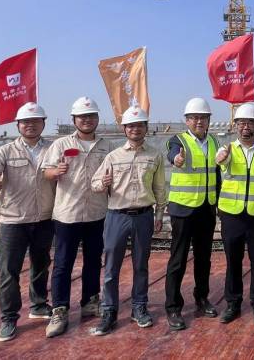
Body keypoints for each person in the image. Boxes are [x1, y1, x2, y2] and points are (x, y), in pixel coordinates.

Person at [0, 102, 55, 342]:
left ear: (43, 123)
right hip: (13, 219)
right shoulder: (5, 151)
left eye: (36, 121)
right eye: (26, 122)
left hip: (44, 217)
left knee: (41, 264)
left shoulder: (52, 149)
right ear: (18, 125)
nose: (31, 125)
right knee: (9, 271)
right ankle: (9, 318)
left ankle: (38, 305)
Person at [42, 97, 115, 338]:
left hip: (97, 213)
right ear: (74, 120)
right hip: (67, 214)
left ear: (97, 119)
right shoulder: (61, 144)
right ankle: (60, 309)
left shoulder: (107, 146)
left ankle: (90, 302)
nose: (87, 120)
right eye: (82, 117)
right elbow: (46, 172)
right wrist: (56, 171)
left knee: (93, 260)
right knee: (63, 263)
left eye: (91, 116)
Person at [90, 106, 166, 335]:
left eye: (139, 125)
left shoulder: (155, 155)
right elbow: (95, 183)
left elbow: (160, 188)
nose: (135, 129)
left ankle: (139, 307)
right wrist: (102, 184)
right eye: (131, 126)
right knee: (111, 266)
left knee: (141, 265)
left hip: (144, 216)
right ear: (124, 129)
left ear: (146, 128)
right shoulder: (113, 157)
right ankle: (109, 311)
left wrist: (159, 215)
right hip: (117, 216)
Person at [215, 103, 254, 325]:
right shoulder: (227, 149)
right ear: (235, 126)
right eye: (241, 123)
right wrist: (222, 158)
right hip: (232, 215)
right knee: (233, 261)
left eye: (250, 123)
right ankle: (233, 304)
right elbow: (221, 163)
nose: (246, 127)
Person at [164, 97, 221, 330]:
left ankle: (202, 298)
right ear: (187, 120)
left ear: (208, 120)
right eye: (194, 118)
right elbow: (172, 154)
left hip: (207, 208)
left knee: (203, 258)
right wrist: (176, 159)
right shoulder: (178, 140)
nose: (199, 121)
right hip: (183, 209)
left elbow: (218, 173)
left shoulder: (215, 142)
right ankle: (173, 307)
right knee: (178, 259)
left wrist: (219, 202)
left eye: (203, 118)